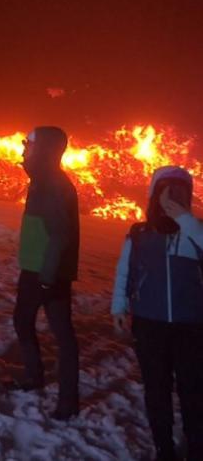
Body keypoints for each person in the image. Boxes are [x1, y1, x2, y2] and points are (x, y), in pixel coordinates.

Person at [111, 166, 203, 461]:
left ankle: (197, 446)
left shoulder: (196, 231)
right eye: (166, 191)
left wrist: (186, 221)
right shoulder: (139, 233)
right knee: (157, 388)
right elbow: (124, 270)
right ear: (154, 195)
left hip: (192, 325)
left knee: (193, 390)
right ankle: (164, 446)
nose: (171, 197)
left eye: (179, 192)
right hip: (149, 324)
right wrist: (119, 306)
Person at [12, 126, 80, 420]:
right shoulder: (42, 180)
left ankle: (66, 401)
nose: (24, 148)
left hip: (45, 271)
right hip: (38, 268)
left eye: (29, 144)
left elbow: (60, 234)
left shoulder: (53, 185)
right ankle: (36, 377)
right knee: (26, 322)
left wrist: (47, 277)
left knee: (61, 335)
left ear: (45, 150)